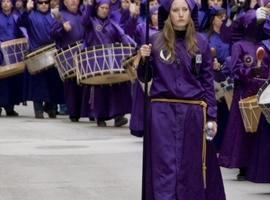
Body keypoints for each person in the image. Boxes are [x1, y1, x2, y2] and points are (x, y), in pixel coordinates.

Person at [132, 0, 226, 198]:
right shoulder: (155, 41)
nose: (180, 14)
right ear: (169, 13)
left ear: (191, 13)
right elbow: (145, 78)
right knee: (163, 166)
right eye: (176, 10)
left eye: (184, 10)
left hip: (193, 113)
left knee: (192, 166)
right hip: (162, 114)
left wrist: (211, 117)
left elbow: (207, 82)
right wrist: (143, 59)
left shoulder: (201, 42)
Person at [81, 0, 135, 127]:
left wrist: (130, 48)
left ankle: (118, 116)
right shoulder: (91, 22)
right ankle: (100, 117)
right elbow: (84, 20)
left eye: (106, 8)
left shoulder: (112, 24)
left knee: (117, 86)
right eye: (102, 8)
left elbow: (122, 36)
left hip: (111, 59)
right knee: (100, 89)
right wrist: (89, 5)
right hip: (96, 60)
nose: (104, 10)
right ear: (97, 8)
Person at [17, 0, 64, 118]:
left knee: (53, 82)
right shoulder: (30, 16)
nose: (43, 5)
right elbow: (20, 22)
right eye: (40, 2)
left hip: (51, 53)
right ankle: (38, 109)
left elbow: (59, 32)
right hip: (36, 55)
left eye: (46, 2)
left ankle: (51, 108)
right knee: (38, 84)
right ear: (36, 4)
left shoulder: (53, 16)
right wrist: (26, 10)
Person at [51, 0, 84, 121]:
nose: (73, 1)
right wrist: (62, 28)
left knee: (85, 84)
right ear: (65, 3)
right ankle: (74, 113)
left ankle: (86, 112)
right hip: (68, 57)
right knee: (71, 86)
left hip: (83, 55)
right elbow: (53, 34)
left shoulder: (83, 15)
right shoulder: (61, 17)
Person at [0, 0, 25, 117]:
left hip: (14, 52)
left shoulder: (16, 16)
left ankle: (10, 108)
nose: (5, 4)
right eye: (3, 1)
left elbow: (23, 31)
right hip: (0, 52)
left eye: (8, 1)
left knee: (12, 80)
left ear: (12, 4)